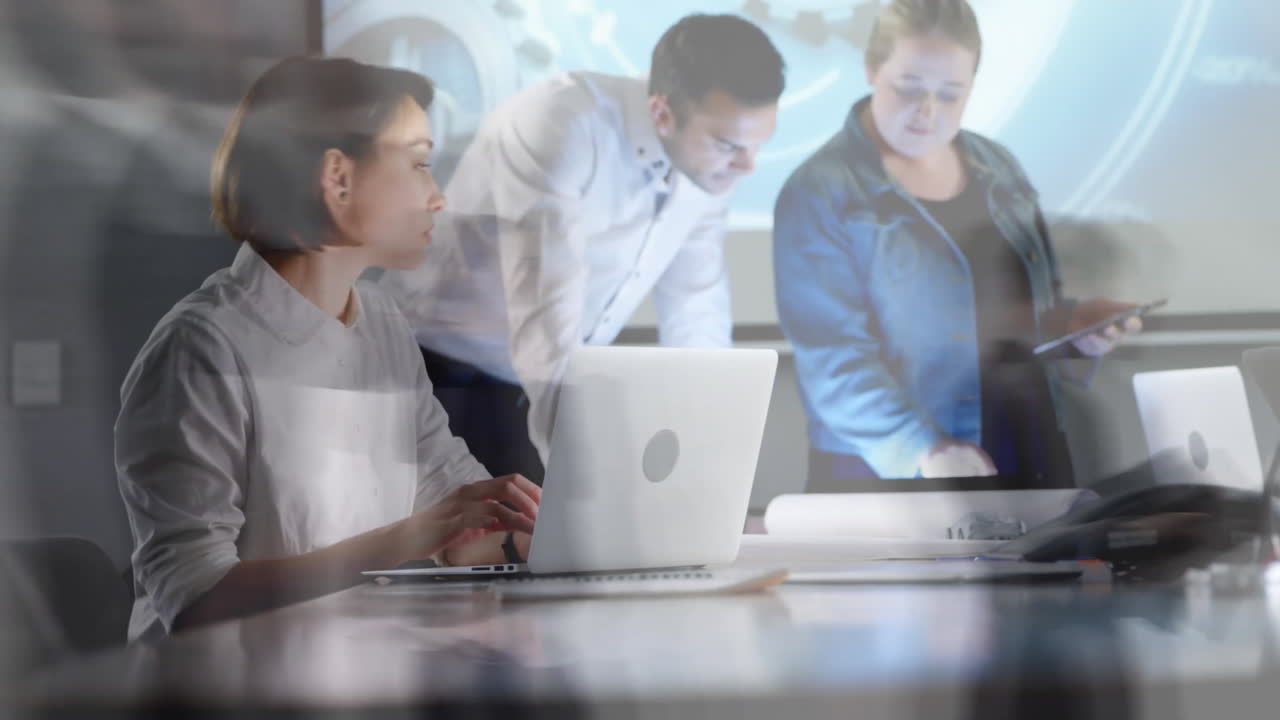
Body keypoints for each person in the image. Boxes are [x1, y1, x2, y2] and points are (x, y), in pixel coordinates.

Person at [114, 57, 541, 641]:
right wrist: (406, 538)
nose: (437, 197)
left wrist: (538, 532)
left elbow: (456, 517)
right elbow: (192, 595)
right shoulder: (201, 348)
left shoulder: (383, 325)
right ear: (337, 178)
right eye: (419, 165)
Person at [379, 14, 786, 483]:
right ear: (662, 114)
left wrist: (709, 456)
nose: (747, 166)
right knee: (465, 545)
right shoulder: (563, 121)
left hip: (537, 379)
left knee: (553, 540)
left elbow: (697, 305)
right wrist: (580, 479)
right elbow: (547, 310)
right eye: (729, 145)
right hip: (435, 372)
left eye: (758, 145)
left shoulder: (711, 162)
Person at [773, 0, 1141, 489]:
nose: (928, 112)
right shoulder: (821, 190)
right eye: (909, 88)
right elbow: (834, 363)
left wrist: (1076, 330)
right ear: (870, 70)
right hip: (897, 473)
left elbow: (1031, 313)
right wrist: (922, 449)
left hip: (1027, 451)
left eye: (951, 94)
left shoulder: (998, 165)